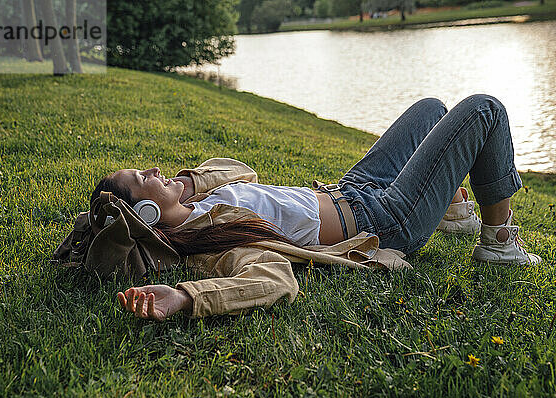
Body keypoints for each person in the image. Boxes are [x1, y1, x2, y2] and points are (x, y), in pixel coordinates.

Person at [90, 94, 541, 322]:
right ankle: (499, 242)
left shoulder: (197, 203)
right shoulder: (211, 242)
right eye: (143, 179)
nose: (153, 170)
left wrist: (183, 185)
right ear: (144, 215)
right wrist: (189, 296)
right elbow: (274, 280)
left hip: (355, 188)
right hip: (385, 221)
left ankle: (454, 210)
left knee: (431, 109)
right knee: (484, 110)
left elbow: (239, 171)